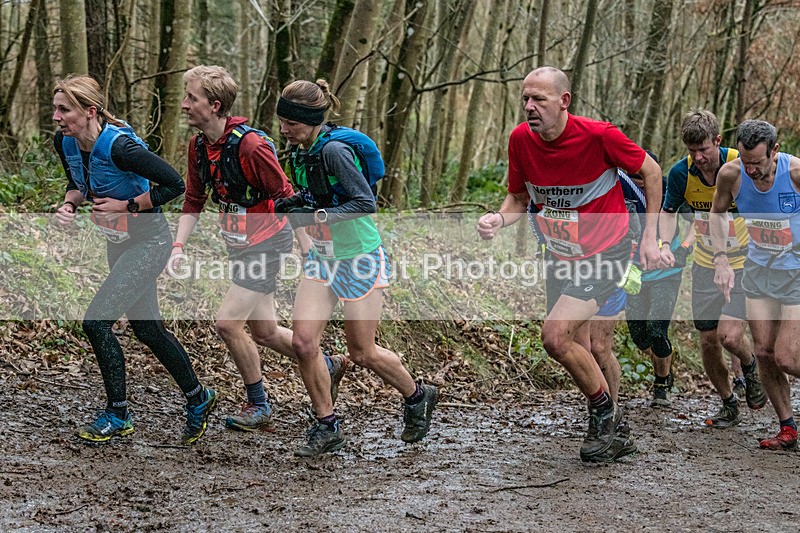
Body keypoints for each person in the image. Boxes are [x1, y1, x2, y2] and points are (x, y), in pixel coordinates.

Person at [477, 66, 663, 463]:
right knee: (576, 346)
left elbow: (651, 171)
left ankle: (605, 416)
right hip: (561, 255)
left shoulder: (599, 136)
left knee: (555, 337)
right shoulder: (520, 140)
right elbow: (518, 198)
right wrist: (498, 219)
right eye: (525, 99)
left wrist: (650, 235)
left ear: (564, 101)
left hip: (607, 253)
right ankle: (616, 428)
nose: (529, 106)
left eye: (539, 99)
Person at [170, 65, 348, 432]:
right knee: (265, 332)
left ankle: (259, 403)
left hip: (268, 242)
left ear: (214, 105)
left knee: (227, 323)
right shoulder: (198, 146)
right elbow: (193, 199)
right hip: (237, 244)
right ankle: (327, 364)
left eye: (192, 97)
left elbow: (287, 195)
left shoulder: (251, 146)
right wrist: (177, 246)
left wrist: (306, 247)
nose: (184, 104)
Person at [276, 79, 438, 457]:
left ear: (311, 121)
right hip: (323, 258)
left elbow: (365, 202)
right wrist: (295, 203)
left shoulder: (334, 151)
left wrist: (316, 214)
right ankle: (327, 425)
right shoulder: (299, 152)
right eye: (281, 121)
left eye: (291, 123)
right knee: (303, 342)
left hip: (359, 258)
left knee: (362, 352)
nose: (283, 129)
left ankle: (417, 396)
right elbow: (320, 194)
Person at [52, 75, 217, 444]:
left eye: (64, 109)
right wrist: (69, 205)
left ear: (90, 111)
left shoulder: (121, 147)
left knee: (96, 322)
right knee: (147, 329)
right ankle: (199, 397)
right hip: (118, 243)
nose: (56, 117)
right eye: (55, 108)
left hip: (149, 241)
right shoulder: (64, 142)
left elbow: (174, 185)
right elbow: (77, 184)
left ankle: (118, 413)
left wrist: (126, 206)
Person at [659, 110, 766, 427]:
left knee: (730, 337)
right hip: (706, 263)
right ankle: (728, 403)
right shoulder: (682, 173)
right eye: (691, 150)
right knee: (708, 341)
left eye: (704, 149)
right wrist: (664, 245)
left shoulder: (741, 164)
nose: (698, 157)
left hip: (744, 262)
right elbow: (668, 211)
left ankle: (750, 367)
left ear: (718, 141)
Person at [711, 119, 800, 450]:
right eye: (745, 161)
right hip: (759, 270)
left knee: (787, 357)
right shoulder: (731, 174)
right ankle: (788, 428)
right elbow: (716, 213)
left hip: (796, 272)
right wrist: (721, 258)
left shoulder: (795, 174)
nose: (750, 170)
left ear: (774, 151)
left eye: (757, 163)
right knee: (763, 352)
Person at [618, 156, 693, 408]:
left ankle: (661, 385)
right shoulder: (622, 191)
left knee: (657, 329)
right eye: (632, 177)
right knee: (640, 337)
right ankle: (665, 364)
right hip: (635, 273)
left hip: (666, 273)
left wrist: (683, 248)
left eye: (641, 177)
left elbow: (699, 221)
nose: (637, 183)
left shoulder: (670, 189)